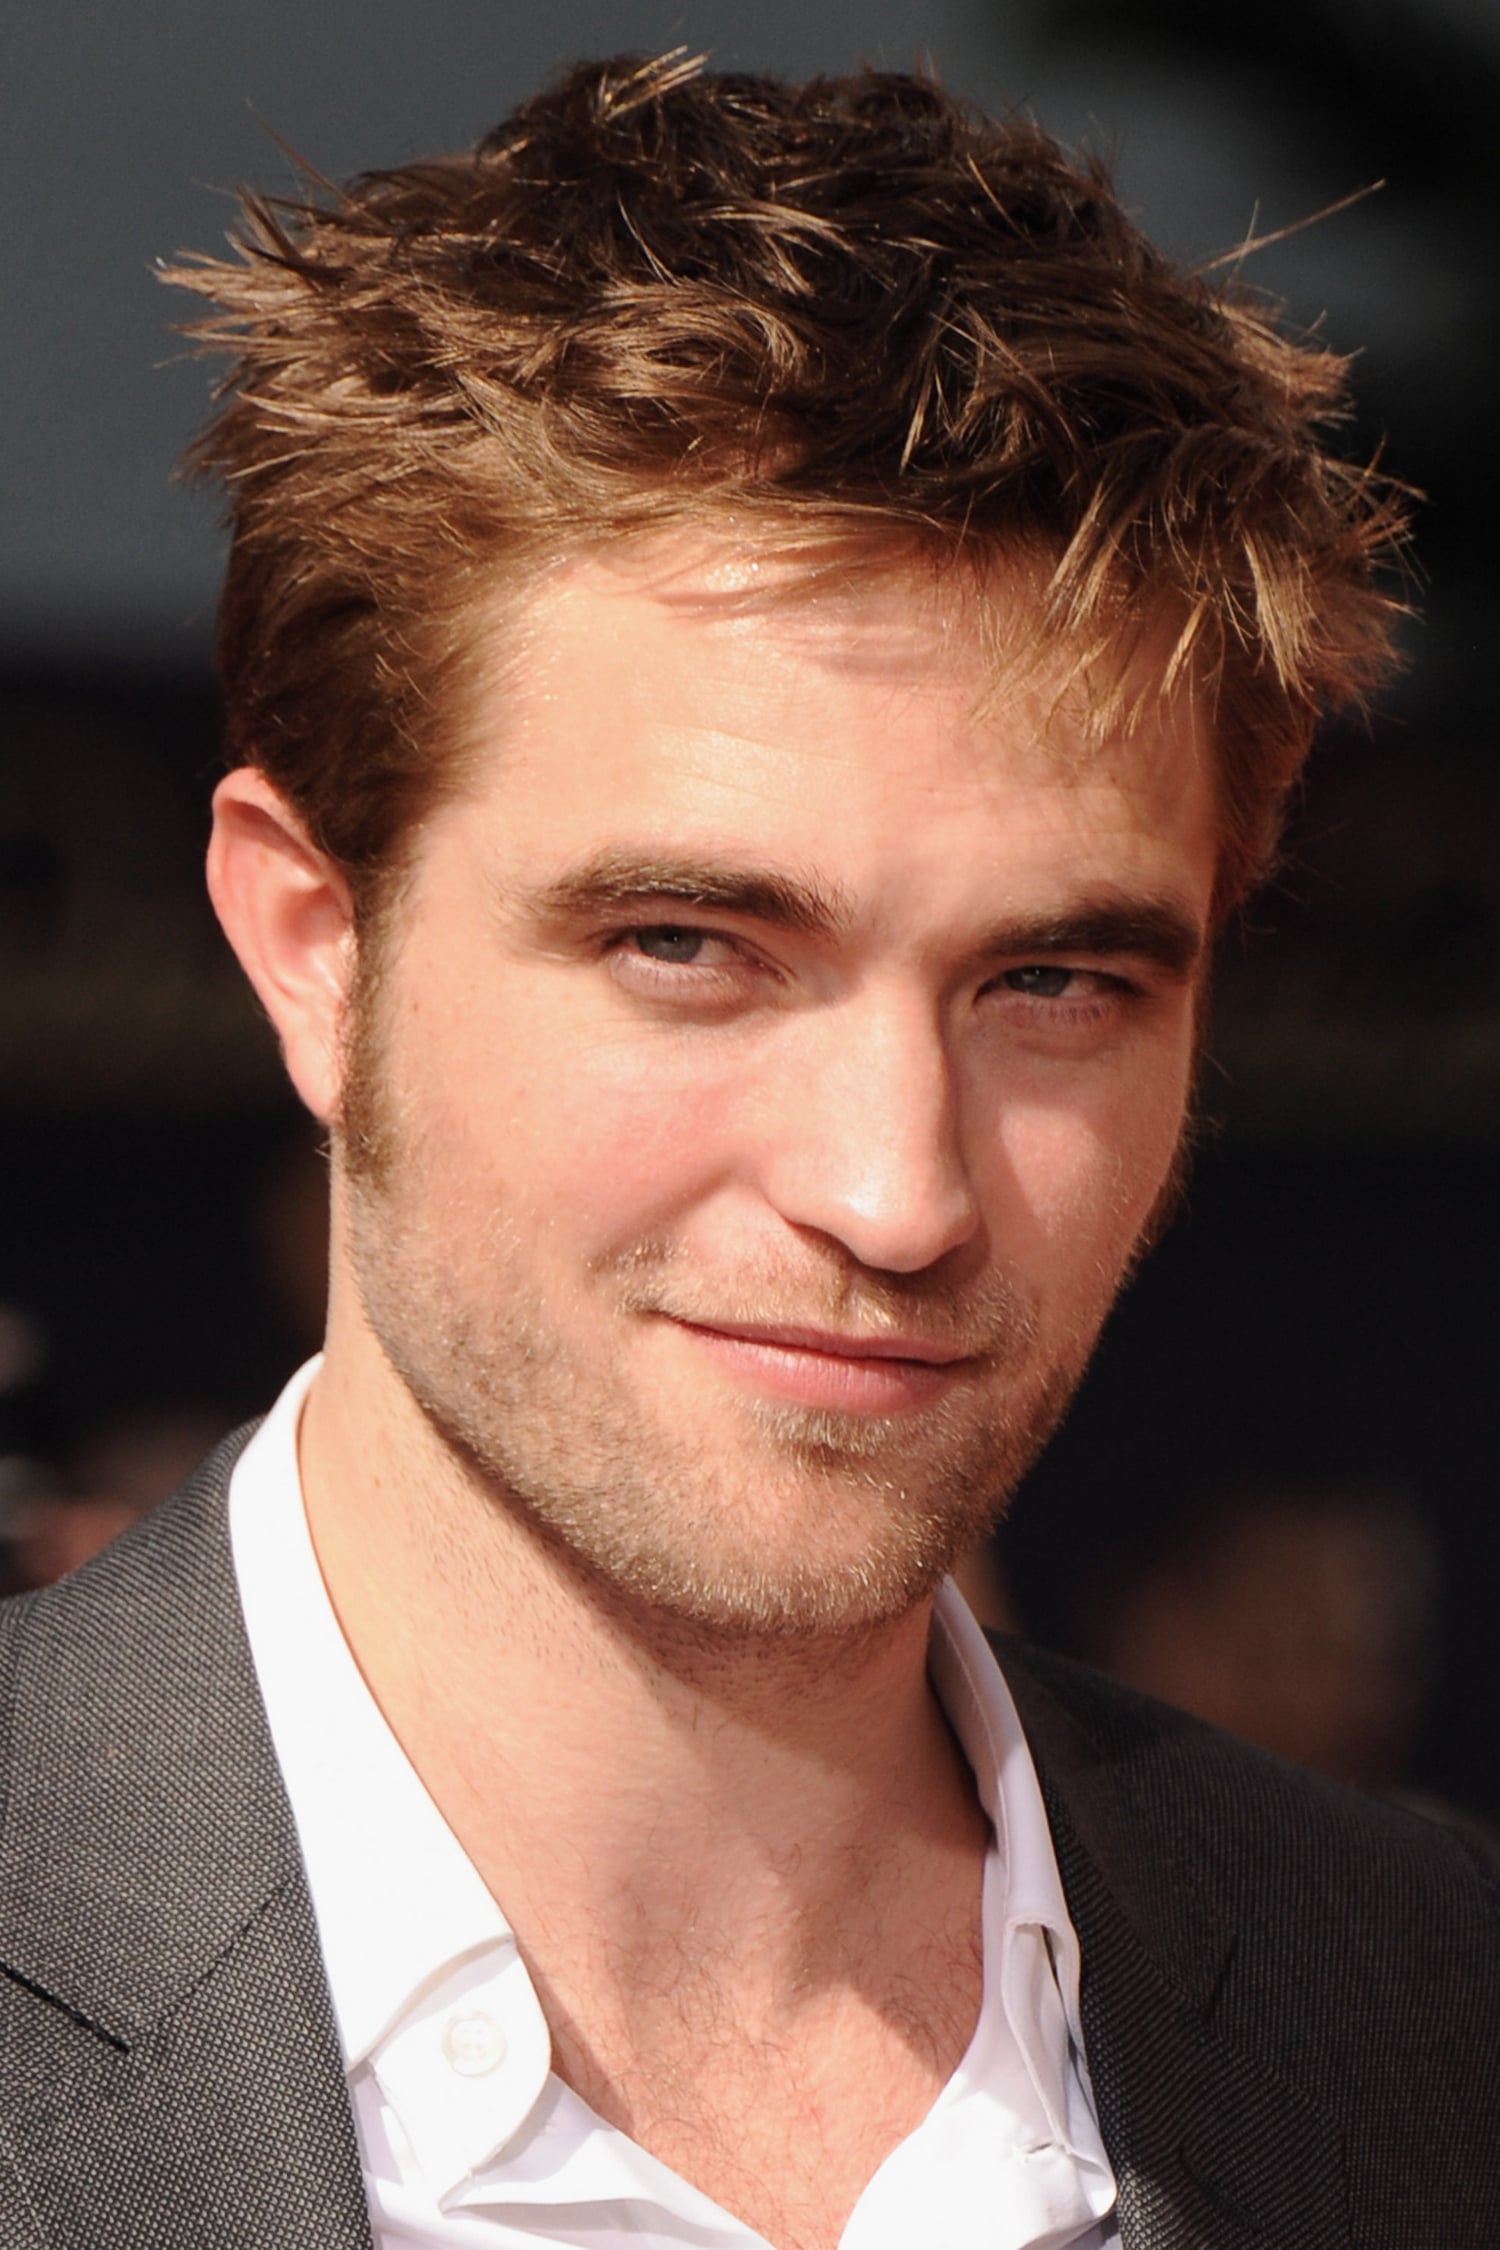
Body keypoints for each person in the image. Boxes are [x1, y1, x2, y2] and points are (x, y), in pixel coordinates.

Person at [1, 52, 1494, 2250]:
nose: (897, 1192)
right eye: (690, 947)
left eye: (1054, 983)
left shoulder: (1437, 2027)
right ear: (315, 946)